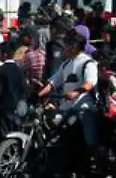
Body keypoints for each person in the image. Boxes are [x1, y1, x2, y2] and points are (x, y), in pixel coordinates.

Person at [39, 32, 100, 167]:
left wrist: (77, 92)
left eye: (67, 44)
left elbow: (90, 83)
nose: (64, 47)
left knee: (89, 140)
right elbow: (53, 82)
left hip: (84, 108)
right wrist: (40, 94)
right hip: (66, 108)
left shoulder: (88, 63)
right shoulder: (66, 64)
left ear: (74, 45)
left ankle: (93, 163)